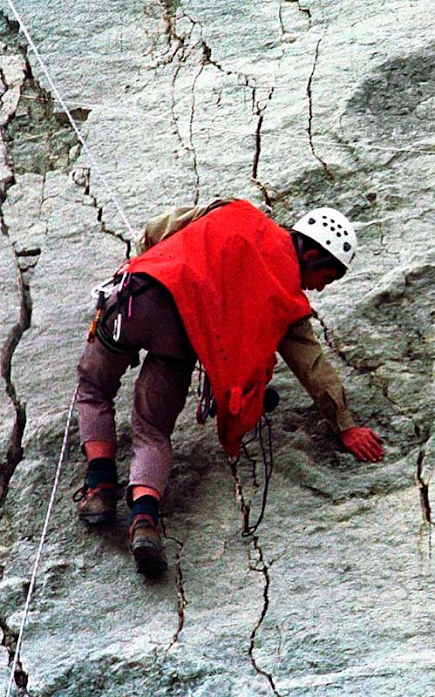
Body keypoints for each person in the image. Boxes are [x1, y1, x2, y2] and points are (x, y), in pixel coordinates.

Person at [73, 199, 384, 577]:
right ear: (315, 255)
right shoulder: (287, 297)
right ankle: (144, 521)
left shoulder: (236, 211)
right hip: (181, 339)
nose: (319, 288)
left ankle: (100, 487)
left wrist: (150, 266)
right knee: (153, 430)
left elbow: (156, 229)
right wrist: (345, 424)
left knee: (93, 387)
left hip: (139, 299)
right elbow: (311, 365)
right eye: (327, 277)